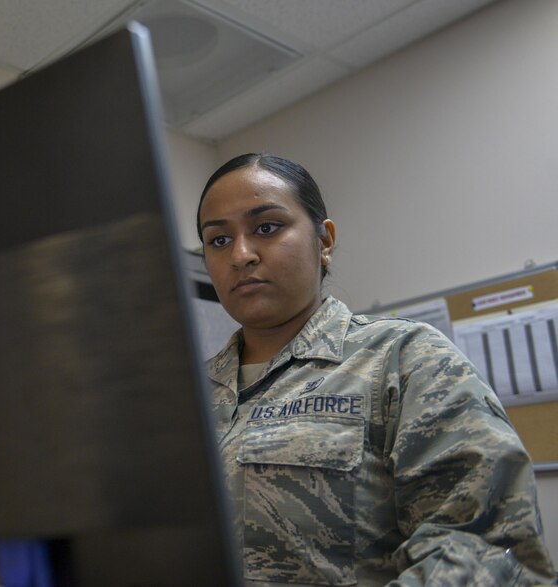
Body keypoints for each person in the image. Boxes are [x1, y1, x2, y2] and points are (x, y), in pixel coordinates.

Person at [197, 153, 555, 586]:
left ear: (324, 241)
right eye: (218, 240)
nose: (241, 255)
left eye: (267, 228)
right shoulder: (185, 394)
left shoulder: (403, 359)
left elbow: (483, 547)